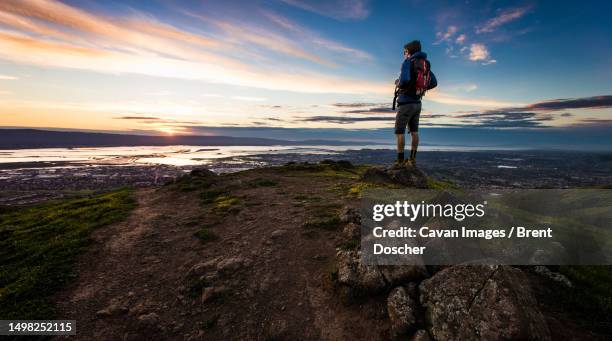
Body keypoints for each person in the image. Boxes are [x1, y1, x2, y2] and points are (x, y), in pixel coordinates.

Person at [393, 40, 437, 168]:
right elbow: (434, 82)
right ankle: (412, 160)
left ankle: (400, 162)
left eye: (405, 51)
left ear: (409, 51)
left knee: (399, 131)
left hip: (406, 103)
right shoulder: (425, 64)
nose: (404, 54)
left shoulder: (408, 62)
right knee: (414, 131)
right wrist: (420, 89)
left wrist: (397, 82)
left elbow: (404, 80)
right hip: (418, 103)